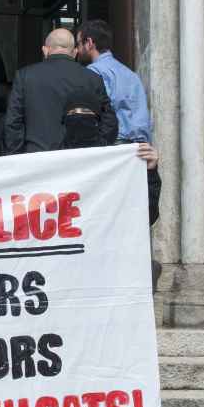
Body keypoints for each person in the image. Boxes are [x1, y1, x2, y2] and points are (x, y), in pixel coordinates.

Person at [23, 87, 158, 407]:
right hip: (59, 290)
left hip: (106, 289)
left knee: (111, 370)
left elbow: (145, 212)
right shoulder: (50, 166)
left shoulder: (118, 164)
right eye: (73, 116)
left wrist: (149, 171)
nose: (80, 122)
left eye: (87, 115)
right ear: (64, 124)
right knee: (49, 376)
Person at [76, 19, 163, 287]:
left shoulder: (94, 74)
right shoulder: (131, 75)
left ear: (89, 43)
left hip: (113, 153)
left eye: (79, 44)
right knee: (134, 220)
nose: (78, 50)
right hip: (138, 153)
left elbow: (101, 119)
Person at [4, 28, 117, 154]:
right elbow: (110, 122)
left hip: (36, 158)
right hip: (80, 160)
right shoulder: (92, 78)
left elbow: (13, 122)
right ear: (74, 52)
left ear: (45, 50)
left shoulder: (25, 76)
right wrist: (95, 148)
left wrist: (17, 157)